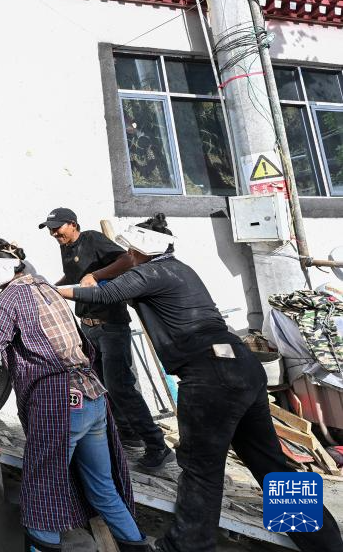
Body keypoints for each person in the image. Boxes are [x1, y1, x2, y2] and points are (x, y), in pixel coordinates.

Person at [57, 214, 343, 552]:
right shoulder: (180, 269)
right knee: (270, 463)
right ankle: (325, 544)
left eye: (132, 250)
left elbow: (105, 295)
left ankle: (184, 547)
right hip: (243, 366)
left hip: (211, 377)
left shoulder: (150, 273)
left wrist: (48, 291)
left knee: (200, 469)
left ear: (142, 251)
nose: (129, 255)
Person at [0, 239, 152, 552]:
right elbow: (77, 344)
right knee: (103, 487)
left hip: (58, 402)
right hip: (92, 396)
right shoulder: (45, 286)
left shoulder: (9, 300)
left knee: (43, 488)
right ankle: (138, 546)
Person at [39, 207, 172, 472]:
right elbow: (76, 277)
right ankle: (128, 435)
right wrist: (51, 289)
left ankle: (157, 445)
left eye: (58, 228)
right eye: (51, 229)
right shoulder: (66, 248)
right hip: (88, 326)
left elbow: (127, 260)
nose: (54, 233)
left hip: (111, 325)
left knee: (120, 386)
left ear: (73, 224)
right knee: (101, 386)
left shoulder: (91, 238)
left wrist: (97, 275)